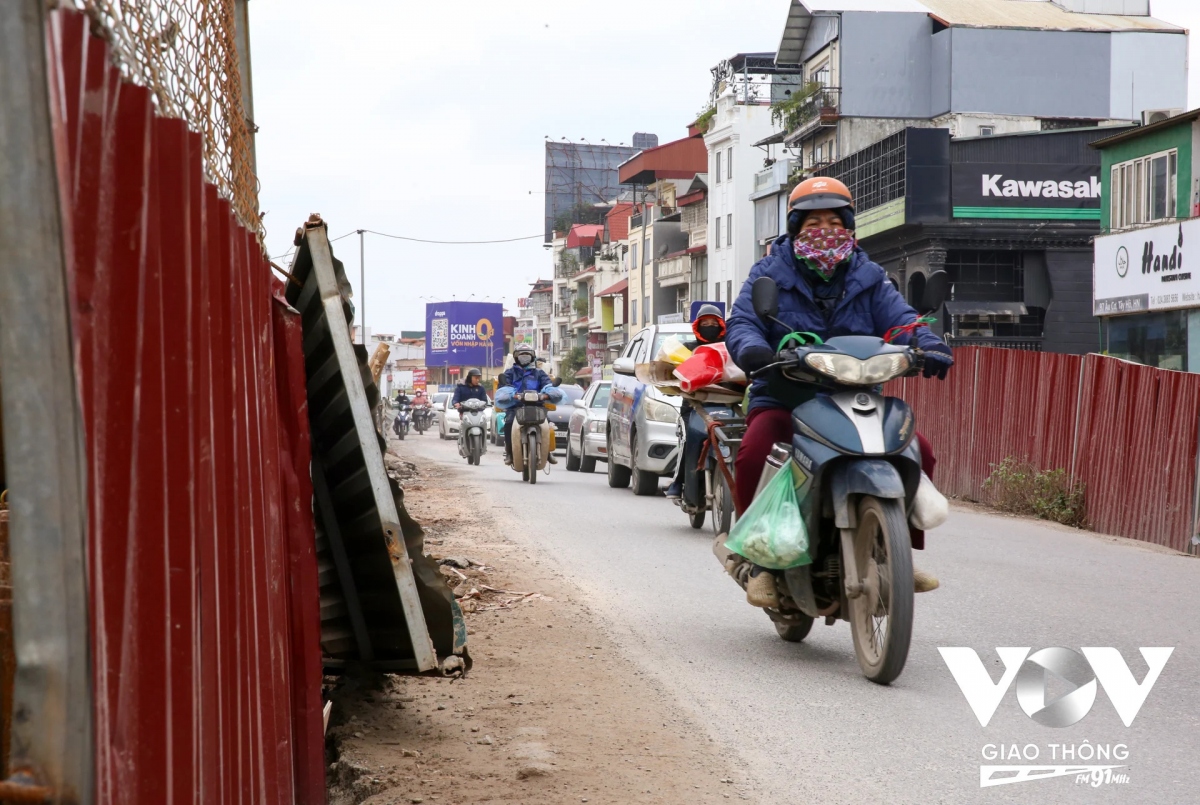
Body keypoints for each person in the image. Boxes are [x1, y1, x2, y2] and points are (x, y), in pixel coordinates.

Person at [725, 176, 953, 607]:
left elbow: (901, 320)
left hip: (856, 395)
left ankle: (896, 553)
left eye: (834, 220)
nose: (825, 230)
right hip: (787, 394)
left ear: (849, 227)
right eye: (813, 222)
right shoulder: (769, 273)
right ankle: (760, 560)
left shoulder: (870, 277)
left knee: (919, 448)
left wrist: (929, 344)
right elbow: (743, 322)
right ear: (795, 228)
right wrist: (753, 349)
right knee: (756, 450)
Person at [665, 304, 728, 500]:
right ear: (697, 326)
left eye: (713, 323)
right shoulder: (686, 350)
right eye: (705, 323)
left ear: (721, 325)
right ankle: (678, 482)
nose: (709, 327)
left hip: (728, 405)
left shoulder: (731, 347)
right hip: (694, 407)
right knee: (687, 441)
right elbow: (672, 373)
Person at [499, 347, 557, 465]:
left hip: (537, 406)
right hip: (516, 406)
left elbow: (547, 385)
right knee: (509, 424)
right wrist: (511, 394)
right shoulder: (510, 373)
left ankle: (548, 452)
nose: (524, 357)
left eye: (527, 354)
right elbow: (504, 385)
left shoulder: (539, 373)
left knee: (548, 425)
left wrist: (547, 394)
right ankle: (509, 452)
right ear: (516, 357)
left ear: (532, 357)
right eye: (521, 354)